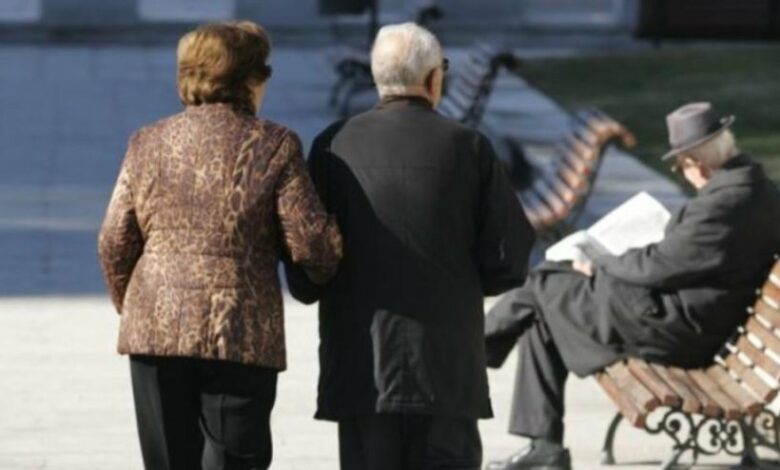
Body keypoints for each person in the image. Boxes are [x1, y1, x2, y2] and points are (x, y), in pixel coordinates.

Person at [286, 22, 536, 470]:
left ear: (378, 77)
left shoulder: (333, 145)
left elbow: (307, 266)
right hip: (446, 369)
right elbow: (508, 260)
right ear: (434, 79)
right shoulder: (469, 147)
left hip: (362, 368)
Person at [97, 21, 342, 470]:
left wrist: (134, 306)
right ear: (250, 80)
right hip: (240, 330)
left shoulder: (147, 142)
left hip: (156, 328)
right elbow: (310, 242)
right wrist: (327, 265)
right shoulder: (274, 144)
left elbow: (114, 239)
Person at [484, 102, 780, 470]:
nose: (682, 174)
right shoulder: (754, 189)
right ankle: (543, 445)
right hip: (686, 315)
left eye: (679, 166)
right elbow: (677, 260)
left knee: (544, 284)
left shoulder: (725, 203)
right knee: (546, 297)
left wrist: (600, 262)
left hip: (679, 328)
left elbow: (659, 266)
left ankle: (472, 350)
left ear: (695, 163)